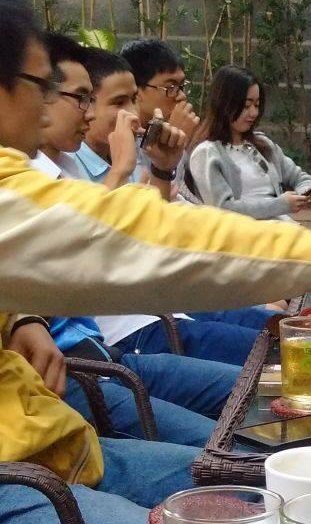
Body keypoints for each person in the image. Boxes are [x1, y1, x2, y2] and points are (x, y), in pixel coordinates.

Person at [0, 0, 311, 524]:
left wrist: (19, 317)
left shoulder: (238, 148)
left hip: (58, 436)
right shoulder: (55, 176)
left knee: (255, 488)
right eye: (48, 87)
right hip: (72, 411)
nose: (68, 108)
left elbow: (139, 230)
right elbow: (132, 237)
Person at [29, 32, 238, 447]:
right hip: (112, 346)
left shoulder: (71, 162)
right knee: (227, 451)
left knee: (260, 379)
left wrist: (160, 169)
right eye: (84, 99)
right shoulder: (38, 177)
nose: (90, 113)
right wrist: (122, 172)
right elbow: (101, 257)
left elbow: (150, 238)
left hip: (119, 344)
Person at [73, 50, 265, 366]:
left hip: (167, 301)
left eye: (133, 100)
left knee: (280, 329)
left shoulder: (129, 150)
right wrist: (124, 170)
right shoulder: (73, 166)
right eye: (170, 87)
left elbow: (157, 231)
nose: (132, 113)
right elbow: (103, 250)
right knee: (268, 355)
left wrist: (162, 169)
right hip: (130, 326)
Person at [188, 64, 311, 222]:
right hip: (245, 232)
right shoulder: (206, 153)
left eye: (256, 105)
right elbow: (223, 209)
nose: (254, 113)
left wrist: (306, 192)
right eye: (246, 105)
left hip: (280, 227)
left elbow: (299, 177)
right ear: (224, 104)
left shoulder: (263, 144)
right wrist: (280, 204)